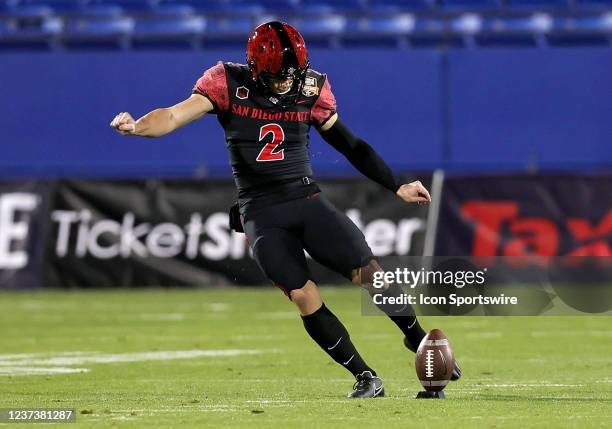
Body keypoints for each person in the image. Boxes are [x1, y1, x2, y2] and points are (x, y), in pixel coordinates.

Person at [110, 21, 460, 398]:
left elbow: (351, 145)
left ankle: (417, 338)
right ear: (257, 69)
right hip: (261, 212)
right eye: (278, 77)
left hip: (306, 199)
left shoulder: (311, 86)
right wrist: (138, 127)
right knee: (304, 296)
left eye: (292, 76)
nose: (286, 84)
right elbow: (176, 114)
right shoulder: (226, 81)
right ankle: (365, 375)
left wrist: (397, 184)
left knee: (371, 273)